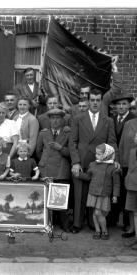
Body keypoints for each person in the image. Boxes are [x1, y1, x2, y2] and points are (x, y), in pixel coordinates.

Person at [69, 88, 119, 234]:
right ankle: (77, 223)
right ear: (88, 101)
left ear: (101, 101)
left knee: (96, 192)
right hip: (81, 162)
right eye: (92, 100)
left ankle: (93, 222)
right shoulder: (78, 118)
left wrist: (115, 159)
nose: (95, 103)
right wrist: (76, 162)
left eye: (98, 100)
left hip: (100, 165)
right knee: (79, 193)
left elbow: (112, 142)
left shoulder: (107, 120)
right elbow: (72, 142)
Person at [36, 108, 72, 231]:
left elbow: (71, 153)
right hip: (46, 169)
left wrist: (61, 148)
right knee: (46, 198)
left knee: (61, 199)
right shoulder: (43, 133)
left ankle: (64, 224)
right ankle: (47, 223)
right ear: (49, 119)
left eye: (58, 118)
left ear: (62, 120)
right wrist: (45, 162)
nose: (55, 121)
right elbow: (38, 151)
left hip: (61, 169)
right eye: (52, 118)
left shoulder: (68, 133)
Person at [76, 144, 120, 240]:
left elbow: (116, 183)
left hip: (103, 193)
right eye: (96, 154)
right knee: (94, 213)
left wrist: (115, 195)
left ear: (107, 154)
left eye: (99, 154)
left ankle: (104, 231)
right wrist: (78, 174)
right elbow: (88, 177)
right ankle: (97, 231)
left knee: (98, 213)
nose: (96, 156)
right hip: (93, 192)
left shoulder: (112, 167)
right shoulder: (93, 164)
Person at [107, 93, 136, 228]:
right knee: (112, 189)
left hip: (126, 161)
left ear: (129, 105)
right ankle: (112, 219)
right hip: (112, 159)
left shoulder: (133, 120)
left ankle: (127, 222)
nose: (121, 106)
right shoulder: (111, 119)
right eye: (118, 104)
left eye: (124, 103)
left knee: (125, 192)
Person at [119, 117, 137, 236]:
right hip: (129, 171)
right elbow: (122, 145)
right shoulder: (129, 123)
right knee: (131, 205)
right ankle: (132, 227)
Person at [124, 132, 137, 249]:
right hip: (131, 184)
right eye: (136, 136)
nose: (135, 138)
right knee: (133, 211)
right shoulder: (132, 151)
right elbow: (130, 168)